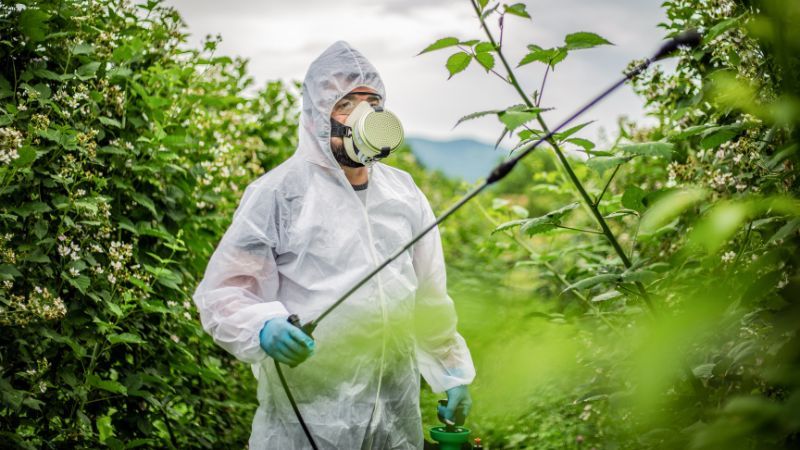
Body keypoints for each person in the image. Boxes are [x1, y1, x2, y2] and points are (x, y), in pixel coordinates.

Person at [192, 41, 475, 449]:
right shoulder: (278, 193)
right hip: (304, 426)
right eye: (346, 103)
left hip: (395, 424)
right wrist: (262, 326)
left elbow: (429, 297)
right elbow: (224, 293)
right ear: (315, 117)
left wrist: (451, 372)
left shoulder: (404, 194)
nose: (364, 115)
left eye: (372, 101)